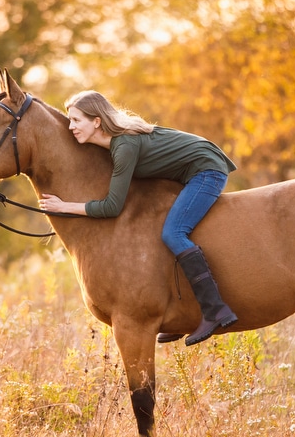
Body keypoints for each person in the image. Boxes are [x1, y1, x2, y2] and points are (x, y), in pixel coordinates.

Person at [38, 90, 238, 346]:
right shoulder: (115, 144)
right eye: (69, 120)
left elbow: (112, 207)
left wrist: (65, 207)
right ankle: (181, 316)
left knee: (173, 233)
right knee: (159, 234)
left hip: (206, 170)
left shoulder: (123, 146)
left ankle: (216, 310)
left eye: (76, 120)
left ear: (96, 121)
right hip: (187, 172)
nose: (71, 126)